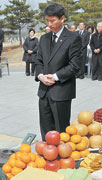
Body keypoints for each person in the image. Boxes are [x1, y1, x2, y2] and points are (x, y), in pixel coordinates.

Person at [35, 3, 82, 141]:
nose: (49, 24)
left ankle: (61, 160)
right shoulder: (44, 39)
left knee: (61, 131)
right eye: (47, 20)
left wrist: (55, 77)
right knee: (45, 130)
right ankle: (47, 158)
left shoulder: (73, 38)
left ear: (62, 19)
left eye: (52, 21)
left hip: (61, 91)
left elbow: (75, 65)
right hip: (44, 91)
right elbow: (39, 61)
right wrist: (41, 76)